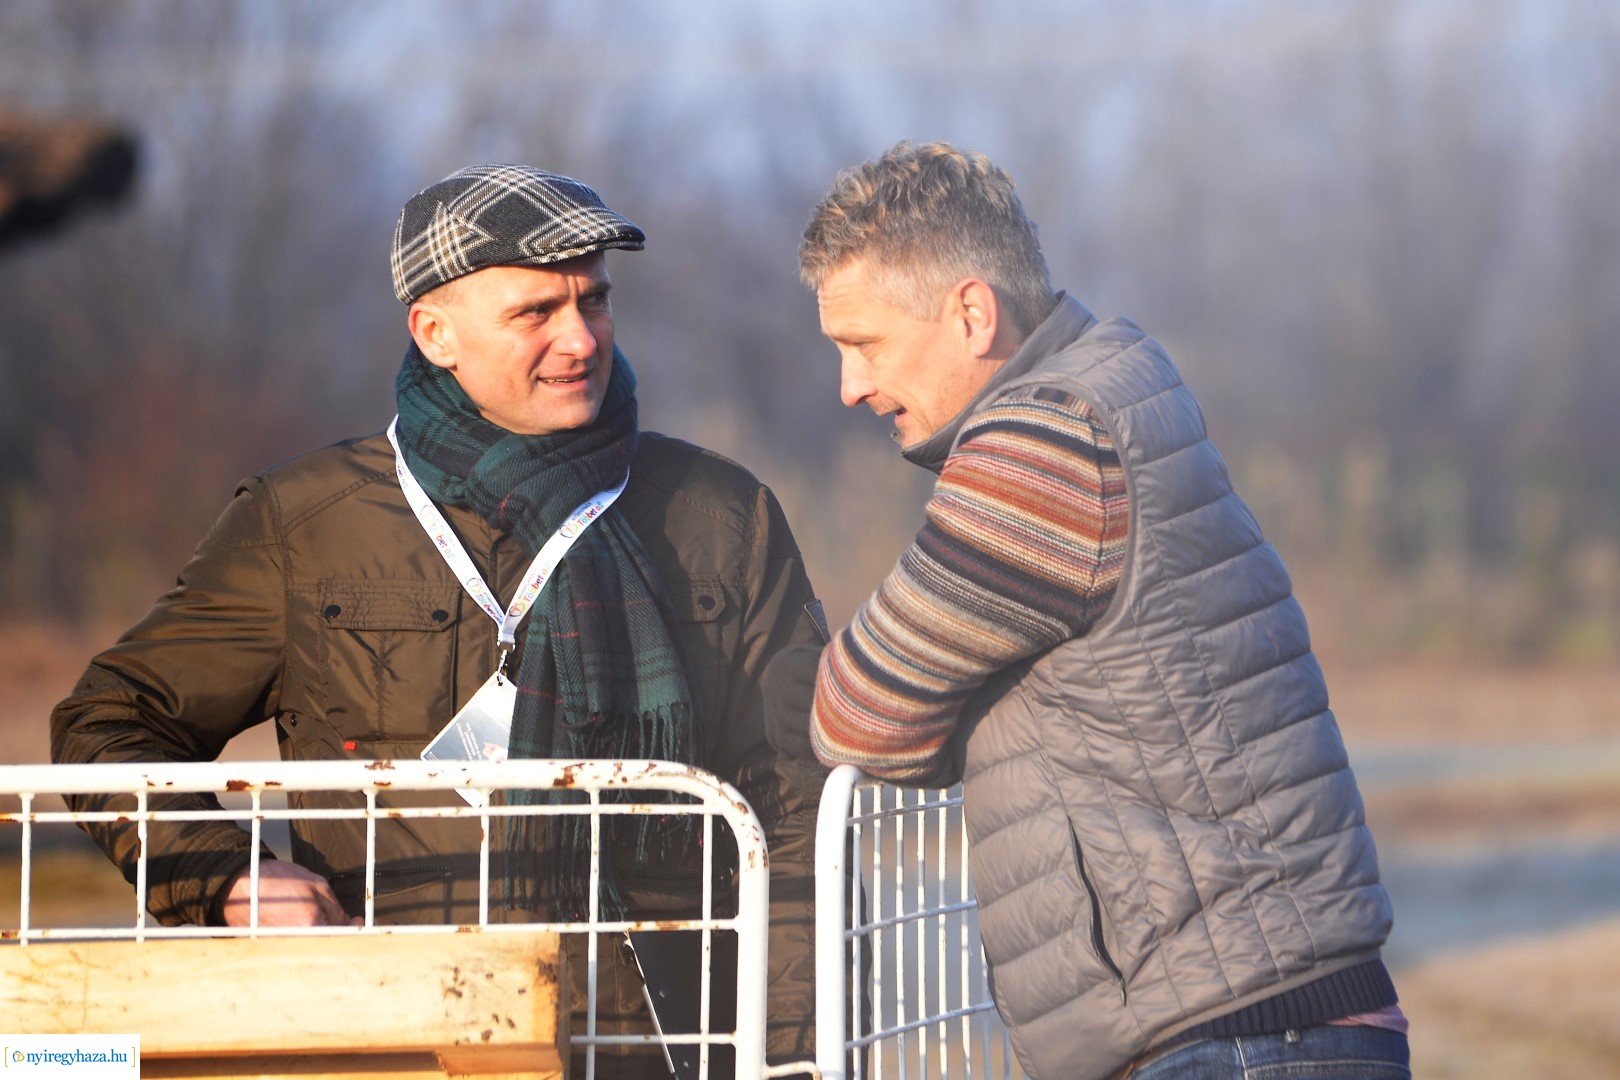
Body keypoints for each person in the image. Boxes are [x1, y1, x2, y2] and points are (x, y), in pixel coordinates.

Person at [52, 164, 828, 1076]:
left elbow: (798, 812)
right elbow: (107, 725)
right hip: (394, 1046)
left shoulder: (718, 517)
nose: (581, 338)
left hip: (656, 1049)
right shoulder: (304, 525)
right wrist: (227, 881)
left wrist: (787, 1058)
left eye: (595, 300)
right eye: (535, 312)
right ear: (435, 332)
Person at [796, 142, 1408, 1080]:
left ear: (970, 312)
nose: (849, 387)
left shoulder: (1042, 446)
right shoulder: (1105, 395)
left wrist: (931, 717)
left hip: (1231, 1041)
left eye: (864, 343)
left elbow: (857, 714)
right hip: (1262, 1026)